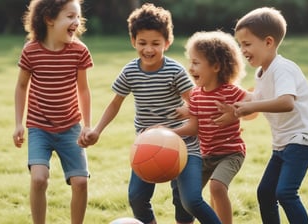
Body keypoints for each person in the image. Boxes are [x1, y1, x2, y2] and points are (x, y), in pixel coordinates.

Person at [78, 3, 221, 224]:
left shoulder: (175, 71)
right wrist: (96, 130)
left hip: (185, 146)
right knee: (136, 197)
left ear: (167, 42)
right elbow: (115, 103)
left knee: (188, 201)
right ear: (133, 41)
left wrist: (174, 130)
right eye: (142, 43)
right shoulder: (130, 71)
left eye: (156, 43)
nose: (149, 49)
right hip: (147, 147)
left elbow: (197, 106)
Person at [233, 7, 308, 224]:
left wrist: (251, 105)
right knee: (265, 192)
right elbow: (255, 101)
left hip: (303, 139)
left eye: (247, 44)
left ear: (268, 42)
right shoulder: (262, 72)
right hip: (283, 143)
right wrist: (234, 109)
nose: (242, 50)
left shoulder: (282, 68)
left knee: (285, 192)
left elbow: (286, 102)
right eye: (240, 44)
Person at [12, 0, 93, 223]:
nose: (76, 22)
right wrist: (19, 123)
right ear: (49, 19)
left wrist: (86, 126)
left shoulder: (79, 51)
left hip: (70, 128)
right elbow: (21, 86)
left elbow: (84, 90)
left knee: (81, 182)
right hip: (39, 127)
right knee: (39, 179)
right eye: (70, 16)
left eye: (78, 17)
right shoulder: (31, 51)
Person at [170, 30, 248, 224]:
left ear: (215, 66)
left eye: (196, 63)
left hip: (231, 153)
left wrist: (235, 111)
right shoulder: (195, 95)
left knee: (217, 187)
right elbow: (193, 127)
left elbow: (254, 106)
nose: (190, 68)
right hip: (205, 155)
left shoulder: (231, 92)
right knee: (187, 194)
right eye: (190, 62)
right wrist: (169, 133)